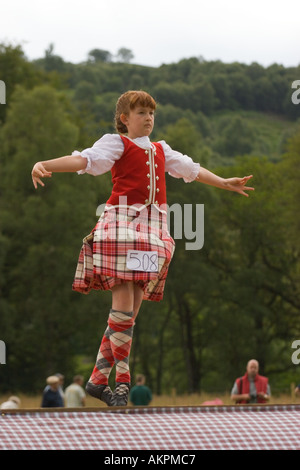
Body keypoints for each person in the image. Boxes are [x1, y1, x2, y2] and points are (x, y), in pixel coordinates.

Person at [31, 90, 254, 407]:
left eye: (151, 113)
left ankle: (97, 379)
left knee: (129, 313)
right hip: (123, 225)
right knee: (123, 307)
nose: (148, 118)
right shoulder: (116, 143)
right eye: (141, 113)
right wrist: (45, 163)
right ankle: (122, 381)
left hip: (151, 232)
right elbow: (84, 160)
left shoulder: (162, 150)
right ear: (125, 118)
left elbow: (191, 170)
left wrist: (225, 183)